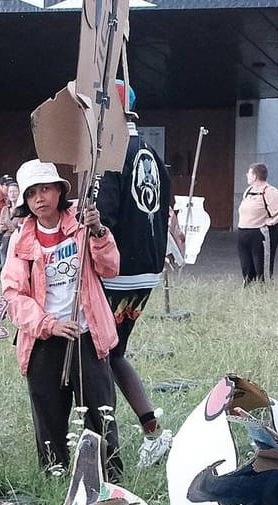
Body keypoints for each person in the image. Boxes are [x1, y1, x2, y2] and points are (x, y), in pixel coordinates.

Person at [2, 158, 121, 480]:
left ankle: (109, 476)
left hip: (87, 333)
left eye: (46, 190)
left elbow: (110, 268)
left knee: (100, 411)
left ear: (59, 191)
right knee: (49, 414)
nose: (40, 198)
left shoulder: (82, 225)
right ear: (24, 202)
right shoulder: (20, 241)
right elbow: (13, 295)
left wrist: (97, 231)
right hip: (44, 339)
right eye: (32, 194)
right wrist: (47, 324)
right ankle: (55, 475)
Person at [95, 88, 176, 465]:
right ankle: (151, 431)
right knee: (112, 353)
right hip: (146, 269)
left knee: (98, 355)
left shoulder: (110, 152)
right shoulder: (151, 153)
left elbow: (104, 216)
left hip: (117, 270)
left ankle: (103, 443)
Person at [235, 163, 278, 284]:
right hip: (244, 232)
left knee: (261, 268)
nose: (246, 176)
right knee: (247, 267)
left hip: (259, 233)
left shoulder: (269, 191)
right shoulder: (249, 191)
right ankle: (249, 290)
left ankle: (265, 291)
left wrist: (273, 221)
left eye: (249, 173)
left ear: (254, 176)